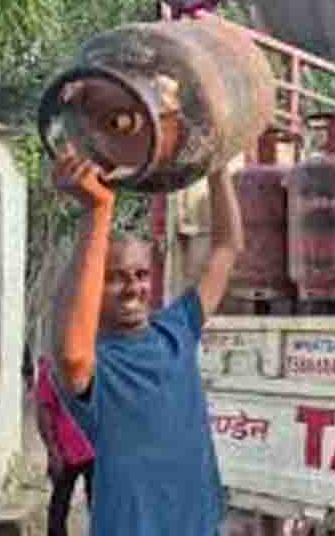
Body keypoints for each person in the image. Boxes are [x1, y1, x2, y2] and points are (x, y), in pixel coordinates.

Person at [49, 113, 244, 536]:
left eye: (140, 274)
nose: (133, 288)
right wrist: (98, 212)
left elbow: (227, 248)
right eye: (115, 277)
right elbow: (70, 356)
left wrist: (216, 163)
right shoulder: (95, 362)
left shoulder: (176, 329)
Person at [34, 353, 94, 536]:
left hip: (93, 450)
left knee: (99, 508)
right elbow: (43, 412)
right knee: (58, 509)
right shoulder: (50, 368)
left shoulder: (96, 361)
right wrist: (53, 452)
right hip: (67, 452)